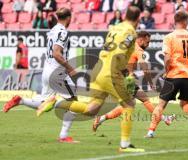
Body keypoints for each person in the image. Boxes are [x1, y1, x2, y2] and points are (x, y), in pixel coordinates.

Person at [37, 6, 145, 152]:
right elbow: (119, 52)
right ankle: (124, 145)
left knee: (91, 109)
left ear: (125, 15)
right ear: (138, 19)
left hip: (98, 70)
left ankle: (58, 101)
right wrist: (123, 72)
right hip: (111, 72)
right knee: (129, 104)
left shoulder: (115, 27)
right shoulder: (131, 32)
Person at [3, 8, 78, 143]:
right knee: (73, 102)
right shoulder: (62, 32)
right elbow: (56, 53)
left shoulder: (53, 30)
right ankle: (63, 135)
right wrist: (71, 69)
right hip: (57, 73)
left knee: (43, 101)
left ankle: (21, 100)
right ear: (68, 18)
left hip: (47, 71)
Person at [92, 31, 176, 132]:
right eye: (147, 42)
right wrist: (150, 82)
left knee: (138, 101)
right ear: (141, 39)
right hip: (126, 79)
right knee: (134, 104)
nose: (148, 45)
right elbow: (144, 68)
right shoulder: (139, 50)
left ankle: (165, 119)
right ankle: (102, 119)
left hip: (117, 77)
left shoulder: (127, 46)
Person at [145, 11, 188, 138]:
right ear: (185, 21)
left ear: (175, 21)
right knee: (185, 103)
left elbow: (167, 59)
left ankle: (150, 132)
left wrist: (167, 72)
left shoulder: (169, 37)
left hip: (174, 75)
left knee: (161, 105)